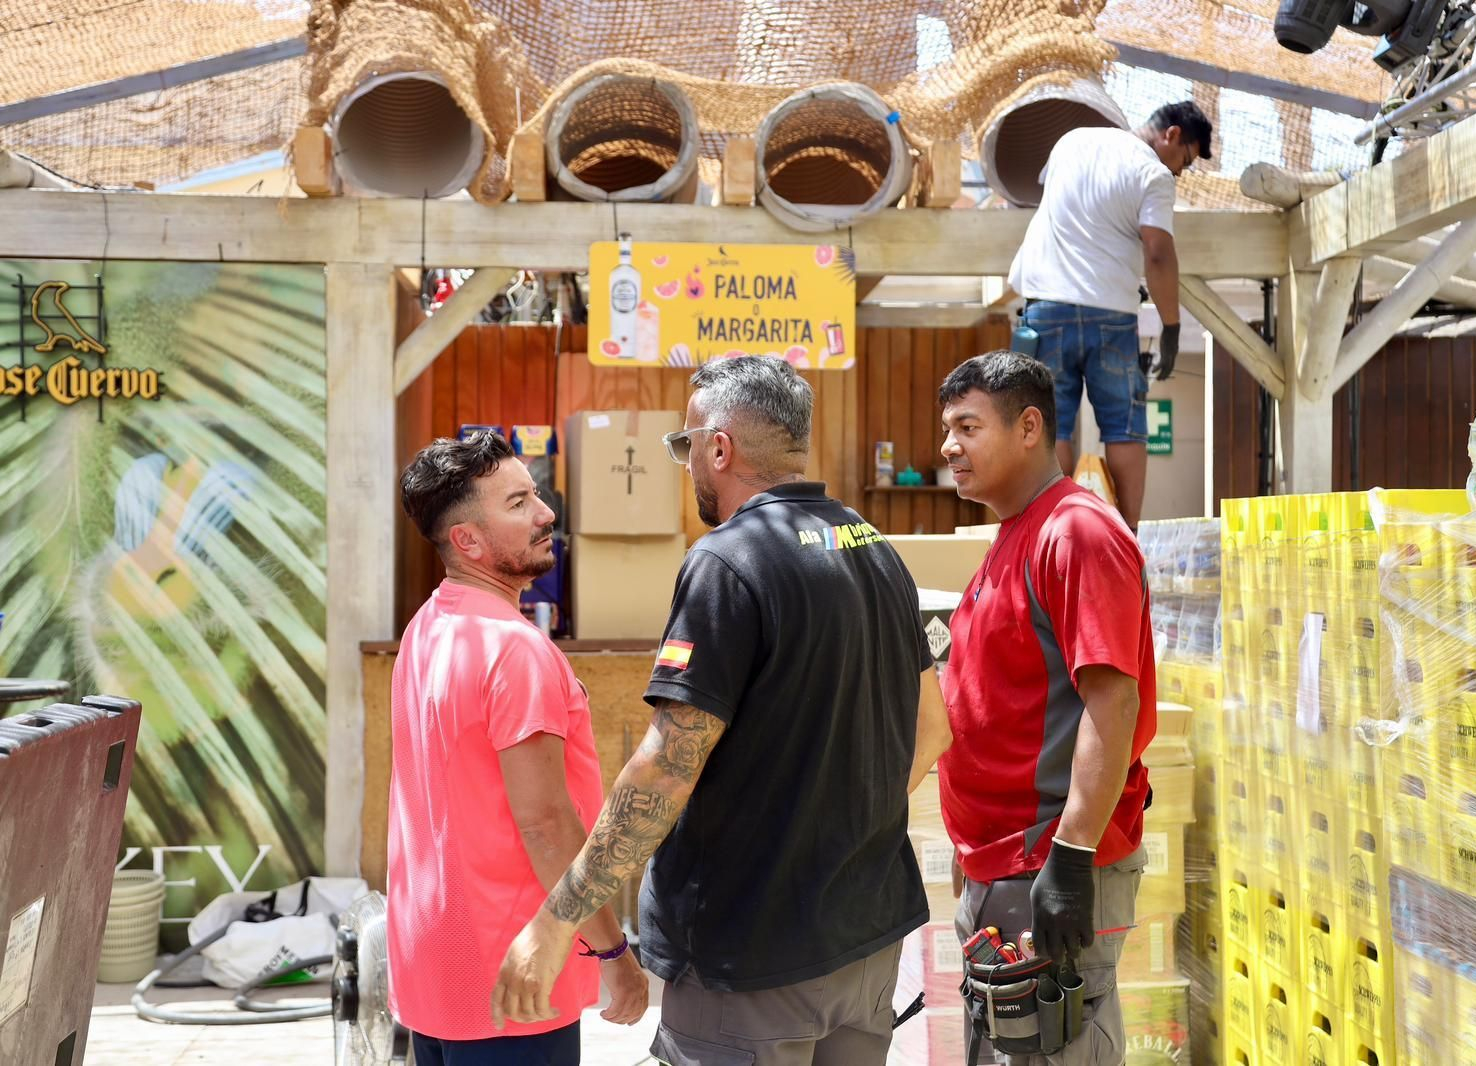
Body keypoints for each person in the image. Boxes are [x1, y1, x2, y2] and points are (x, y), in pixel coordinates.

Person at [490, 357, 952, 1065]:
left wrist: (559, 923)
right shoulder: (875, 548)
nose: (685, 465)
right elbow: (933, 728)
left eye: (684, 446)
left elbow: (666, 769)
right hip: (866, 941)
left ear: (719, 447)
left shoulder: (729, 562)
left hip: (751, 954)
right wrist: (836, 826)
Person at [390, 431, 649, 1066]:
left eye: (535, 494)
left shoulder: (427, 626)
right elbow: (547, 824)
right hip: (515, 974)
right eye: (517, 503)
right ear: (467, 541)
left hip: (435, 966)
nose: (546, 514)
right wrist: (615, 954)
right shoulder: (516, 651)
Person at [936, 353, 1157, 1065]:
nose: (948, 447)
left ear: (1029, 426)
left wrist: (1070, 855)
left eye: (968, 426)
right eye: (947, 428)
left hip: (1046, 865)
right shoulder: (1016, 534)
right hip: (1002, 865)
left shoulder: (1077, 533)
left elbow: (1112, 700)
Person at [1008, 100, 1213, 530]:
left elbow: (1049, 202)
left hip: (1047, 307)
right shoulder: (1153, 175)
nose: (1180, 171)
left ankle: (1049, 529)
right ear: (1172, 135)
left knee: (1050, 425)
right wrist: (1172, 328)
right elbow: (1157, 253)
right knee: (1124, 427)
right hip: (1112, 315)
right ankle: (1127, 534)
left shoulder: (1072, 141)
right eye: (1186, 161)